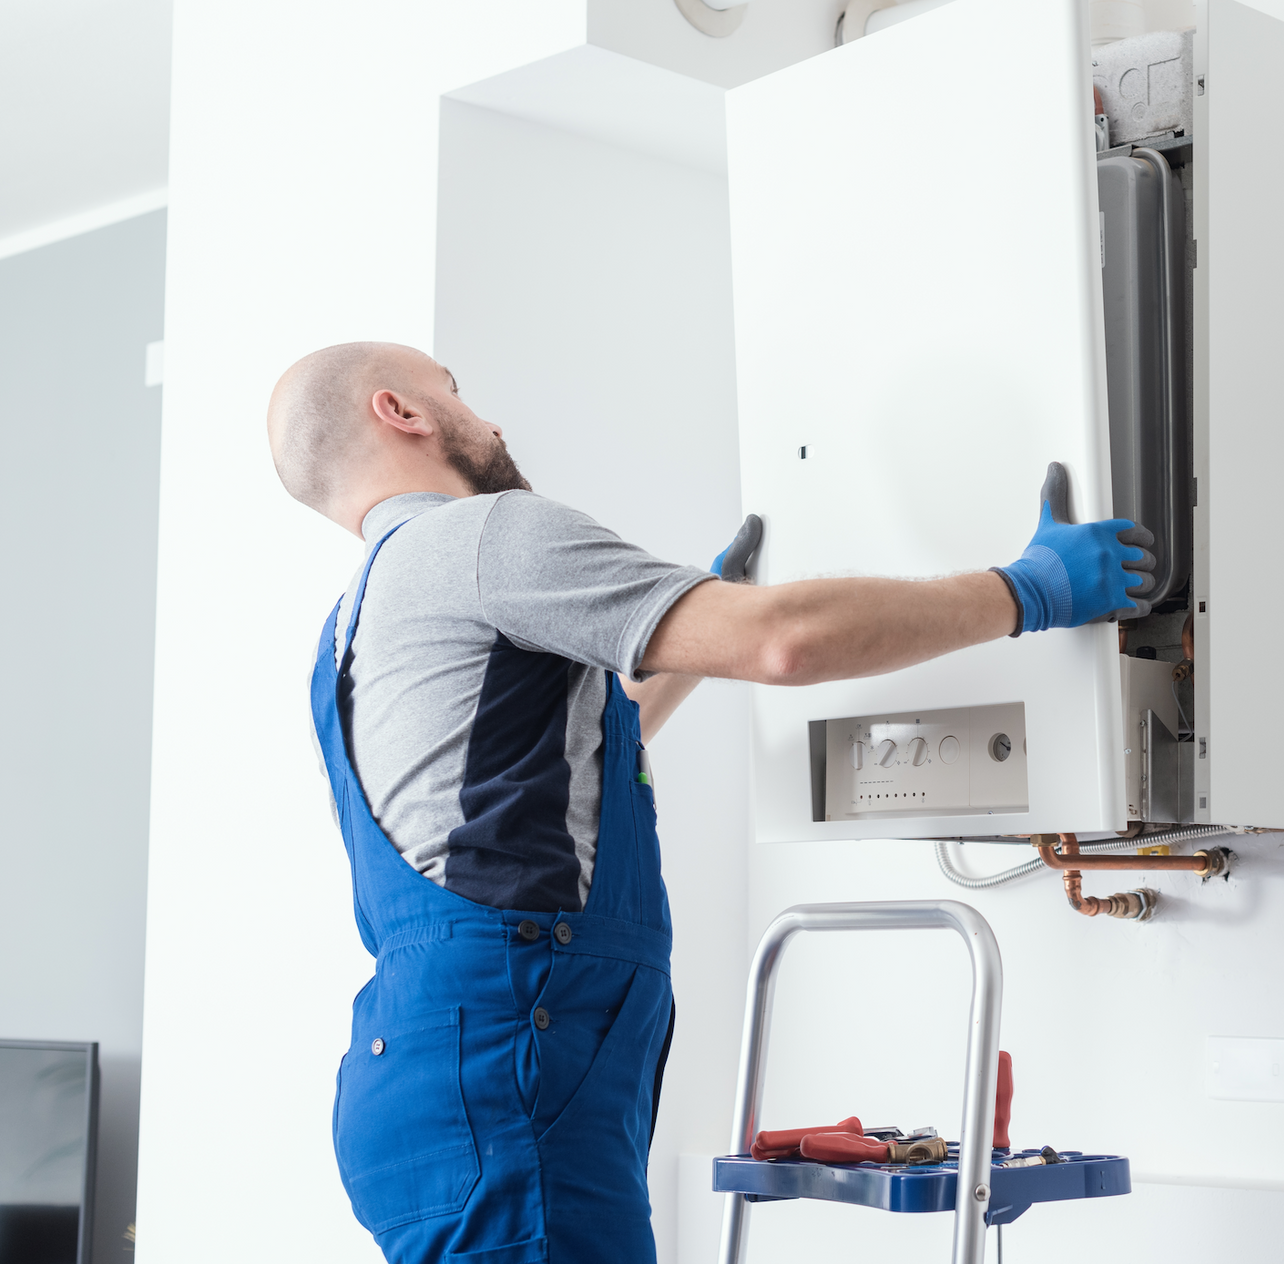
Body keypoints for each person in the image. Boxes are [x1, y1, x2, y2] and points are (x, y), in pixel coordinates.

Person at [265, 341, 1156, 1264]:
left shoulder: (349, 631)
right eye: (455, 392)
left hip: (422, 1084)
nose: (489, 421)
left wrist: (686, 638)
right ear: (400, 413)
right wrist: (1028, 593)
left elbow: (553, 772)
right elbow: (784, 645)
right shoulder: (487, 535)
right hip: (510, 1068)